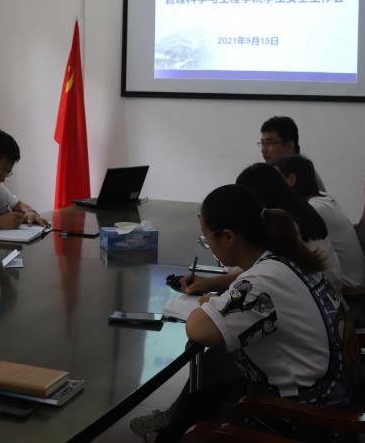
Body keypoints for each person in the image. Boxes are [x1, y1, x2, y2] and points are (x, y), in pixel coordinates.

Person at [130, 185, 347, 441]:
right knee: (218, 364)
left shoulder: (261, 283)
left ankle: (173, 430)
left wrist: (209, 305)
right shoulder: (284, 260)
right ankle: (172, 423)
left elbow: (198, 330)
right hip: (332, 393)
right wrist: (218, 296)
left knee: (215, 372)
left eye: (206, 237)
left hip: (305, 419)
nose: (208, 244)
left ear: (228, 237)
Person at [235, 162, 343, 291]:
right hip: (328, 291)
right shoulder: (300, 209)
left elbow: (261, 274)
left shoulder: (282, 223)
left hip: (316, 293)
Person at [275, 154, 365, 288]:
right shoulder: (323, 199)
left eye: (275, 178)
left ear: (291, 179)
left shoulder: (313, 209)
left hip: (349, 290)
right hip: (348, 281)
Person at [258, 115, 326, 191]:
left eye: (269, 143)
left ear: (289, 146)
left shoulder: (304, 176)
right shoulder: (278, 173)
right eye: (262, 143)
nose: (263, 150)